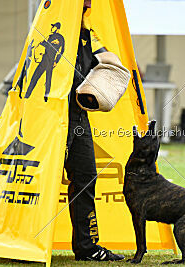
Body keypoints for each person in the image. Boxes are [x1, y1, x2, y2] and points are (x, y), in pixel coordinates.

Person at [64, 0, 125, 261]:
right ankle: (16, 240)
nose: (89, 2)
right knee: (35, 179)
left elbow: (109, 61)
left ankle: (87, 248)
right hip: (50, 116)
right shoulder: (53, 26)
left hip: (77, 116)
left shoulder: (86, 29)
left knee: (86, 176)